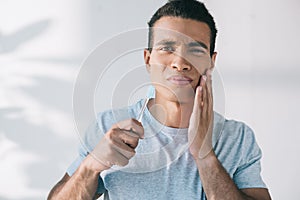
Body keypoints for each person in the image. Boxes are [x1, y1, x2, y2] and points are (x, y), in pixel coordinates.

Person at [48, 0, 271, 199]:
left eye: (196, 50)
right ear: (148, 59)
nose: (180, 62)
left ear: (211, 62)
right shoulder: (109, 127)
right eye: (167, 48)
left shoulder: (238, 138)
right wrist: (91, 166)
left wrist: (205, 157)